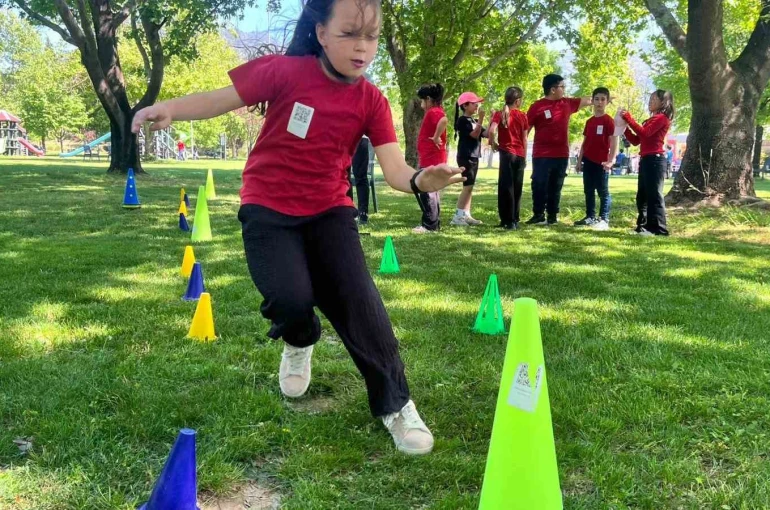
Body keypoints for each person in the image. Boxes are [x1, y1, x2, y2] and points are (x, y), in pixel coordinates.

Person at [131, 0, 465, 455]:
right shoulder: (284, 72)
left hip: (330, 211)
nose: (362, 47)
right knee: (290, 299)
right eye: (349, 34)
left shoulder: (371, 99)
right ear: (322, 33)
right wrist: (168, 107)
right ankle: (300, 338)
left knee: (360, 305)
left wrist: (423, 180)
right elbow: (219, 98)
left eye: (370, 37)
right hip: (268, 208)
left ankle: (397, 406)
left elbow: (394, 171)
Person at [525, 74, 591, 225]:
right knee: (539, 183)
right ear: (553, 89)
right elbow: (526, 130)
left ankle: (552, 216)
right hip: (541, 154)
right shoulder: (537, 106)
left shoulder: (566, 103)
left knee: (556, 185)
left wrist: (605, 96)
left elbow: (588, 100)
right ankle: (538, 214)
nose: (565, 90)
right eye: (562, 87)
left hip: (561, 154)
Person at [620, 89, 675, 236]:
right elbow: (637, 140)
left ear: (663, 102)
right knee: (642, 196)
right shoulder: (650, 120)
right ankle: (643, 226)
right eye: (650, 99)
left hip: (655, 160)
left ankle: (658, 229)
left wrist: (629, 118)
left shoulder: (661, 118)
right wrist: (624, 129)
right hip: (646, 160)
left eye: (654, 99)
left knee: (654, 195)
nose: (650, 102)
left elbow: (645, 133)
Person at [574, 87, 617, 231]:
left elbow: (614, 142)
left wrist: (611, 160)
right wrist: (579, 161)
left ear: (607, 102)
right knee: (588, 190)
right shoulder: (589, 121)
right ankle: (590, 217)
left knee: (603, 191)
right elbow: (585, 143)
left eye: (603, 99)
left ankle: (604, 218)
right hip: (588, 160)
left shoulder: (609, 121)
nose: (599, 102)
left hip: (602, 162)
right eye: (597, 99)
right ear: (592, 101)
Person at [488, 86, 528, 230]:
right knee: (517, 188)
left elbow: (491, 131)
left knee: (506, 187)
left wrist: (494, 144)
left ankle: (506, 219)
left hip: (506, 153)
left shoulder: (499, 114)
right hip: (519, 154)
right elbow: (525, 138)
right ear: (518, 101)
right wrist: (524, 155)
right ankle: (515, 219)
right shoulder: (523, 115)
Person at [414, 83, 448, 233]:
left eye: (422, 101)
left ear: (428, 99)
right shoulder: (436, 111)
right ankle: (434, 223)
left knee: (426, 188)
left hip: (431, 157)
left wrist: (435, 137)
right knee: (432, 189)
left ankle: (429, 225)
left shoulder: (433, 111)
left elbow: (444, 121)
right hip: (431, 156)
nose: (422, 105)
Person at [451, 91, 487, 226]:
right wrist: (482, 120)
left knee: (470, 187)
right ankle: (458, 216)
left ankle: (466, 214)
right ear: (465, 106)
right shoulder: (462, 121)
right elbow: (474, 134)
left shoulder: (474, 121)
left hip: (474, 156)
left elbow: (486, 133)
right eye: (474, 103)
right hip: (466, 156)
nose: (477, 106)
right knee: (467, 186)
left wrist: (496, 119)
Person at [347, 136, 372, 224]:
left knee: (360, 176)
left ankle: (363, 214)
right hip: (341, 135)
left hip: (360, 137)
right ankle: (348, 212)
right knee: (344, 177)